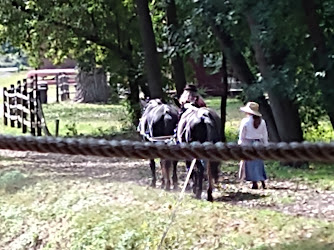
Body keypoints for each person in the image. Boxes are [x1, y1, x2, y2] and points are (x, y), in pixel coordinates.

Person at [238, 102, 268, 189]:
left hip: (248, 144)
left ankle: (254, 182)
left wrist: (240, 144)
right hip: (258, 143)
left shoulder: (245, 121)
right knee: (259, 163)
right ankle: (262, 181)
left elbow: (242, 135)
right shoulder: (262, 122)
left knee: (250, 164)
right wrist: (265, 144)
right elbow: (265, 134)